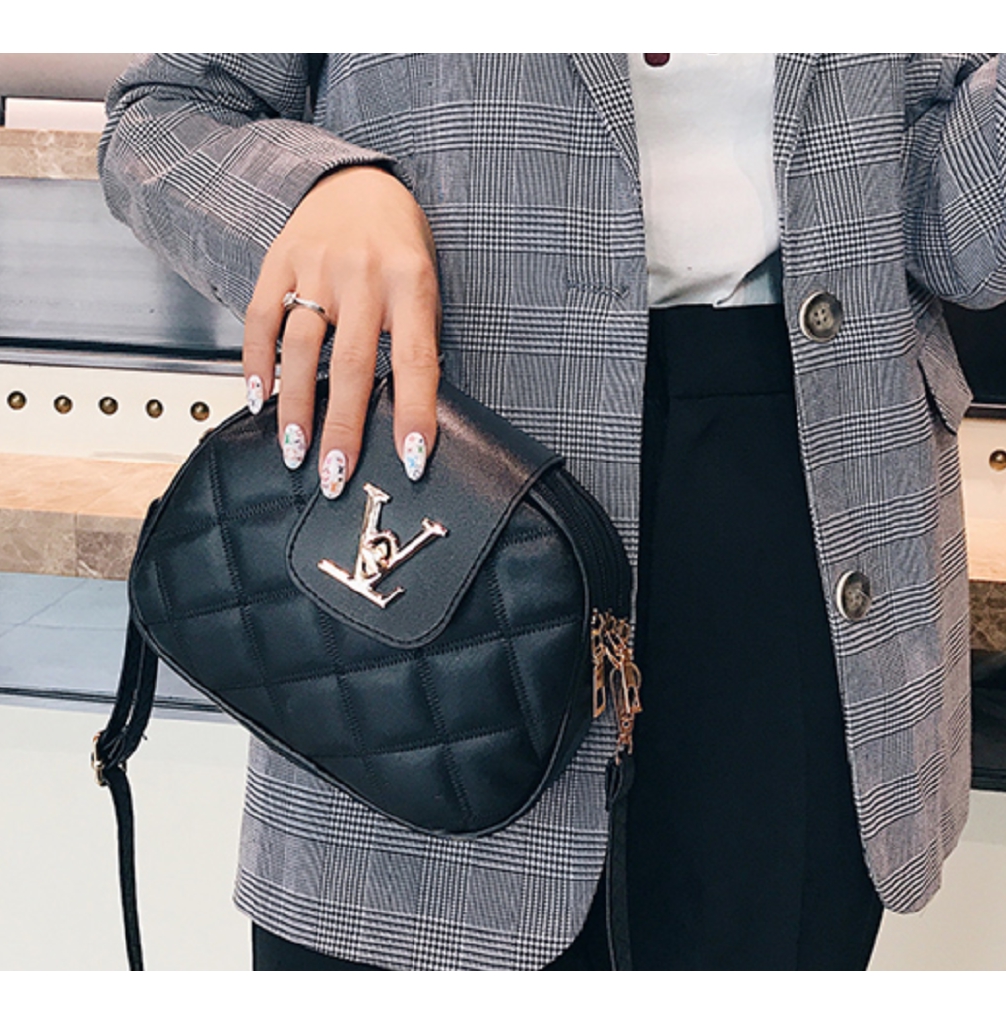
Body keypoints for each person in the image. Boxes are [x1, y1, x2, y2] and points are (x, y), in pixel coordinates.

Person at [99, 53, 1004, 971]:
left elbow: (962, 234)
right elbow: (167, 115)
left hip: (818, 524)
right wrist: (318, 191)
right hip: (437, 509)